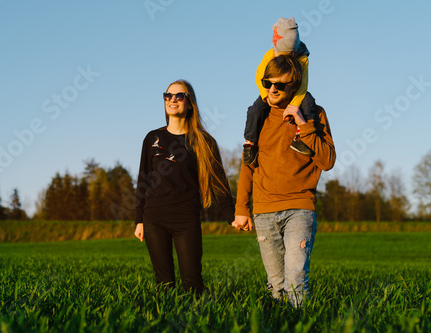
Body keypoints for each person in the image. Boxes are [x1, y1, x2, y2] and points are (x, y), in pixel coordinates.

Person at [233, 55, 336, 307]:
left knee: (296, 279)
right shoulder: (259, 118)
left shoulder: (313, 114)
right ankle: (280, 323)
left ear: (295, 85)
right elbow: (249, 165)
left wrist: (304, 124)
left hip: (300, 208)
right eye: (268, 83)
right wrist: (241, 209)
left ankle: (301, 322)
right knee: (276, 284)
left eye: (280, 85)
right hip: (264, 211)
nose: (272, 89)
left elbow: (328, 160)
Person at [134, 80, 235, 295]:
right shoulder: (153, 138)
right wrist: (139, 220)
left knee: (193, 283)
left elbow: (218, 182)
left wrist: (233, 216)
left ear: (190, 104)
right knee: (164, 285)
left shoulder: (204, 141)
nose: (172, 100)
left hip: (186, 219)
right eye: (168, 95)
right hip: (154, 218)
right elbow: (143, 179)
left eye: (179, 96)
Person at [244, 17, 315, 166]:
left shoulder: (302, 59)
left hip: (294, 91)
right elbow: (259, 76)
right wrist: (266, 96)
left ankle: (302, 137)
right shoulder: (270, 55)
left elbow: (303, 85)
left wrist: (294, 105)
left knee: (308, 102)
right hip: (269, 93)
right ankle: (250, 142)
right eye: (280, 56)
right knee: (255, 111)